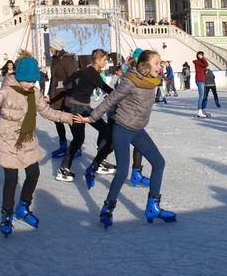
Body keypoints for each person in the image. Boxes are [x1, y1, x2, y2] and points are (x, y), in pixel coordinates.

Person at [0, 52, 75, 237]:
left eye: (34, 81)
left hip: (27, 138)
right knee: (11, 179)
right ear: (19, 78)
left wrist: (70, 118)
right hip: (8, 139)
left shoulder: (34, 92)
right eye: (28, 81)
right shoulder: (6, 91)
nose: (32, 85)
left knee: (34, 174)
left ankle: (23, 207)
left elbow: (47, 112)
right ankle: (6, 214)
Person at [74, 50, 176, 228]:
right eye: (157, 63)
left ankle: (153, 206)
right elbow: (110, 100)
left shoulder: (152, 81)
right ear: (145, 65)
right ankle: (108, 208)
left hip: (138, 129)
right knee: (122, 171)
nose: (160, 67)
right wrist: (91, 118)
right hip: (122, 128)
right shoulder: (130, 81)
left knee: (159, 163)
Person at [55, 49, 115, 183]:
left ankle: (99, 160)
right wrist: (123, 94)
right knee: (78, 139)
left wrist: (63, 87)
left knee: (103, 129)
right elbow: (107, 89)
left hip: (82, 107)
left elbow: (71, 78)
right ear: (98, 61)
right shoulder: (92, 74)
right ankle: (63, 169)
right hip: (77, 108)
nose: (106, 62)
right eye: (104, 60)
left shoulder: (87, 71)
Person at [47, 38, 78, 158]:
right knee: (57, 119)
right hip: (56, 95)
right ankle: (63, 145)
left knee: (70, 119)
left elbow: (72, 78)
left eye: (51, 47)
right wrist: (50, 93)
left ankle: (76, 146)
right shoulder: (55, 59)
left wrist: (69, 94)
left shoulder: (68, 59)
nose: (50, 49)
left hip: (66, 94)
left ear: (56, 47)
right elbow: (53, 79)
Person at [193, 51, 209, 118]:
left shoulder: (201, 63)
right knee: (201, 96)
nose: (202, 56)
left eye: (202, 55)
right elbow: (206, 64)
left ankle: (203, 109)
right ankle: (199, 111)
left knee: (205, 96)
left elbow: (204, 66)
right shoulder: (197, 62)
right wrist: (203, 58)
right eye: (200, 55)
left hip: (203, 80)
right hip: (199, 80)